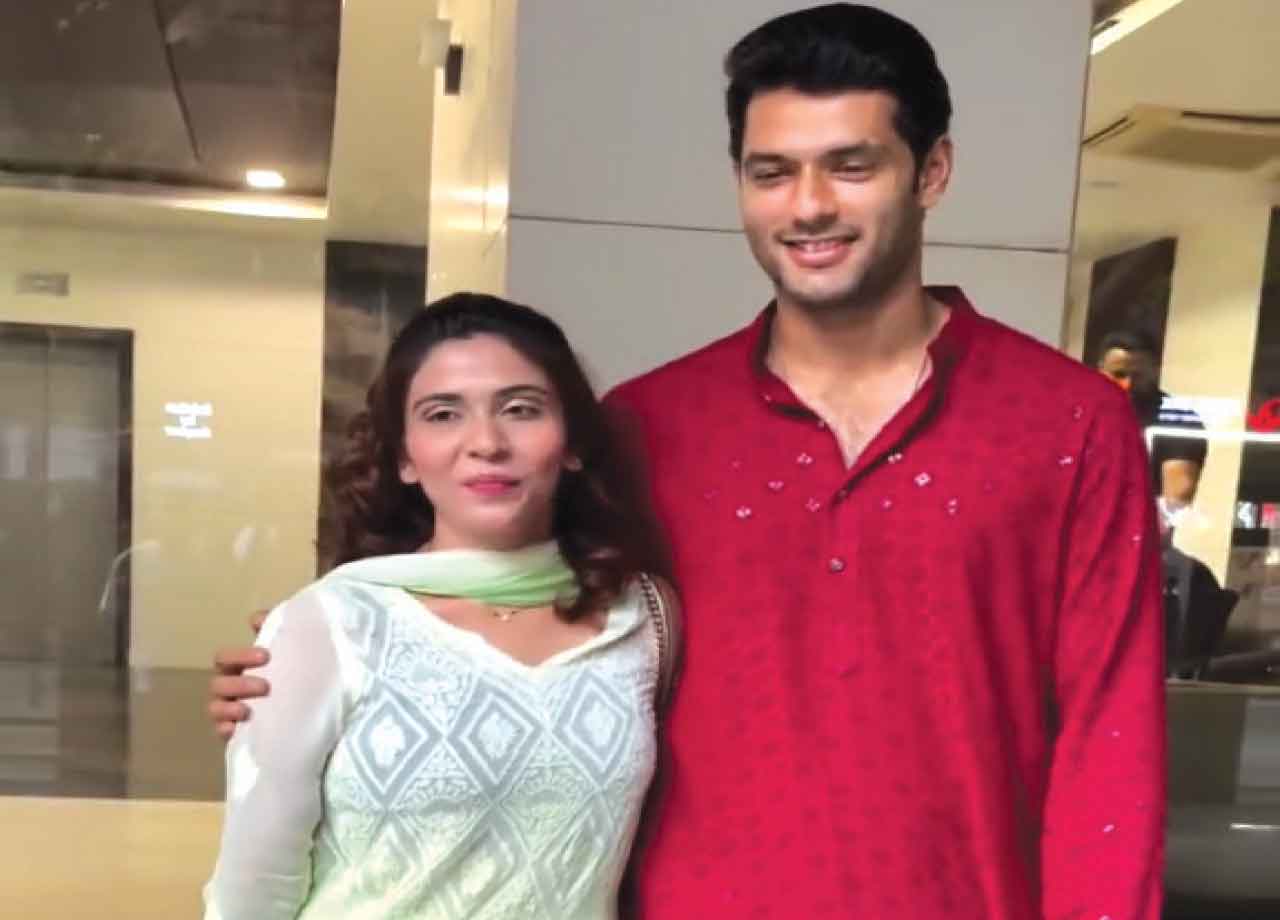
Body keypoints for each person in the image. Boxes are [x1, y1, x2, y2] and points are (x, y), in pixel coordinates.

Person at [210, 6, 1166, 918]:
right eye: (772, 172)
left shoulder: (1066, 423)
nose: (809, 206)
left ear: (932, 171)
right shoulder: (648, 424)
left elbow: (1111, 740)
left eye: (851, 166)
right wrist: (306, 673)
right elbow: (504, 592)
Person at [202, 292, 678, 920]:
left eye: (521, 409)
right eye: (443, 414)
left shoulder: (643, 618)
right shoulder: (330, 625)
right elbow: (252, 891)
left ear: (572, 443)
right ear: (404, 456)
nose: (486, 442)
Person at [1096, 328, 1207, 519]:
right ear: (1100, 370)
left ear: (1155, 372)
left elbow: (1176, 500)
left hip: (1138, 530)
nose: (1128, 384)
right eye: (1119, 374)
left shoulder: (1176, 418)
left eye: (1138, 376)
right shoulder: (1078, 413)